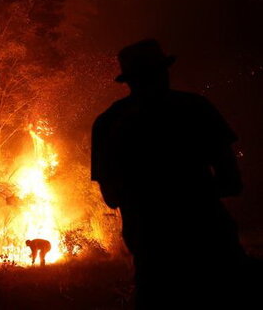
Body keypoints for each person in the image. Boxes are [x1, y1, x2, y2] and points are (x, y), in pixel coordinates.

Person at [91, 39, 247, 308]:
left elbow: (111, 197)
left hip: (151, 247)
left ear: (128, 80)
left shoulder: (108, 122)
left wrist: (146, 199)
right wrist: (194, 194)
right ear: (164, 71)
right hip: (210, 241)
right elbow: (232, 182)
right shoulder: (196, 109)